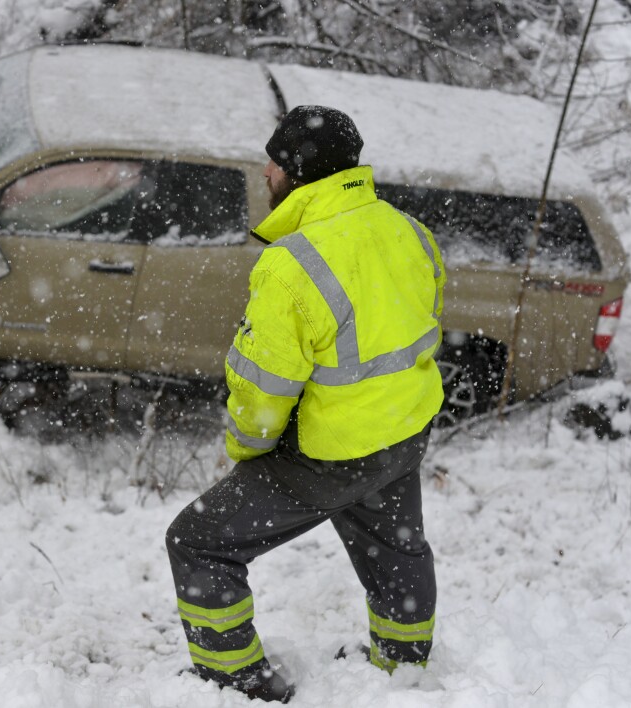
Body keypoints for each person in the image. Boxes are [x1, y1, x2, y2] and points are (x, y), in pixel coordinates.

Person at [166, 105, 446, 703]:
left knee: (199, 542)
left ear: (296, 171)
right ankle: (405, 669)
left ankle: (235, 683)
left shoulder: (294, 263)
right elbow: (417, 326)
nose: (263, 173)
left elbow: (262, 391)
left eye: (271, 161)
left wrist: (249, 448)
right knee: (395, 545)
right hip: (404, 433)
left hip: (330, 453)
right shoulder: (408, 230)